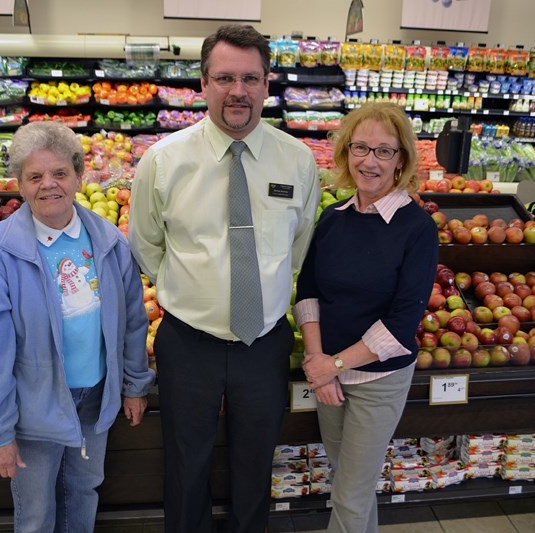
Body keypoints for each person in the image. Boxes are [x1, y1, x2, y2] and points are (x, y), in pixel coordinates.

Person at [129, 24, 320, 533]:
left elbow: (299, 245)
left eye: (250, 78)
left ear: (267, 83)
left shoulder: (297, 161)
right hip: (188, 341)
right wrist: (195, 289)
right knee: (186, 463)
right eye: (225, 77)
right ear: (203, 83)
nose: (238, 90)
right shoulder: (164, 161)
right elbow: (145, 244)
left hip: (265, 340)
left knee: (256, 463)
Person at [0, 121, 154, 532]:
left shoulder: (108, 241)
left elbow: (134, 322)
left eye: (60, 173)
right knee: (35, 512)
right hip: (34, 411)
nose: (49, 185)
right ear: (20, 183)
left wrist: (135, 384)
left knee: (83, 493)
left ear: (79, 176)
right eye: (35, 176)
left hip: (95, 400)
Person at [294, 102, 438, 533]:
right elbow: (309, 293)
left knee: (351, 493)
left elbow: (401, 324)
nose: (369, 161)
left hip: (378, 379)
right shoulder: (332, 219)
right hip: (329, 375)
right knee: (348, 483)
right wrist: (320, 364)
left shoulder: (417, 228)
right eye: (360, 147)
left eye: (383, 151)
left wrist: (333, 365)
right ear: (345, 152)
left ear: (401, 161)